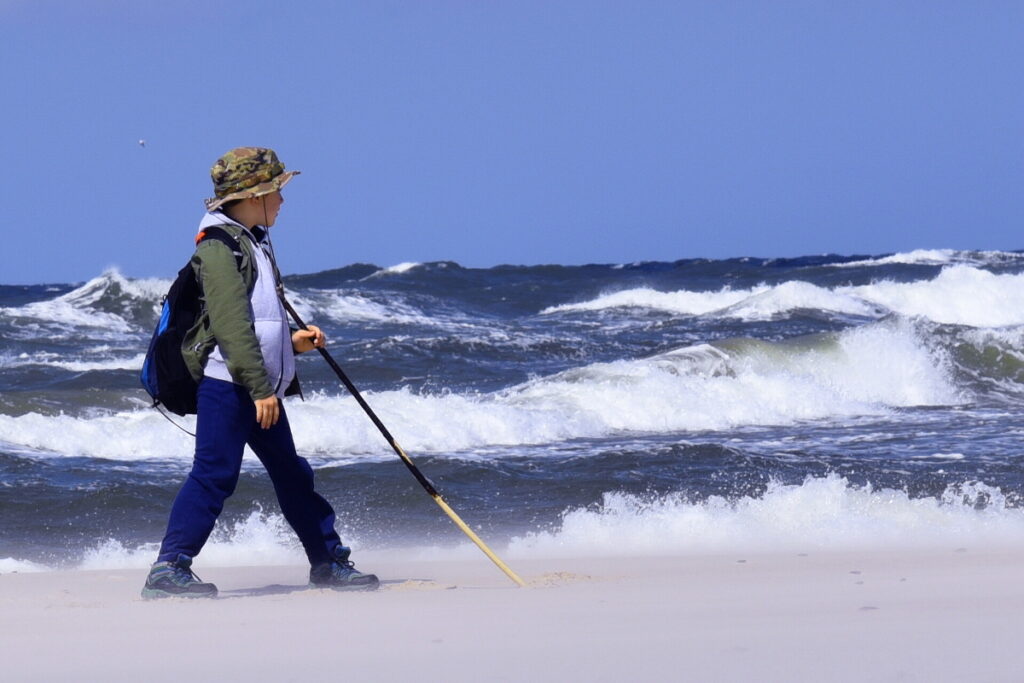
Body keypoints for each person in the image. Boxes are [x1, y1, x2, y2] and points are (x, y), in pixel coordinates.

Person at [142, 147, 379, 599]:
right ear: (253, 196)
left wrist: (293, 342)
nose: (283, 202)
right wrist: (258, 389)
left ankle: (328, 562)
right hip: (231, 388)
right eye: (277, 192)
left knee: (292, 475)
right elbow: (230, 326)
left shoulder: (251, 241)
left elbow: (255, 323)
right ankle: (167, 569)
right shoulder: (217, 248)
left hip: (256, 388)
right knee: (214, 475)